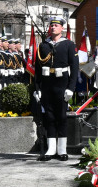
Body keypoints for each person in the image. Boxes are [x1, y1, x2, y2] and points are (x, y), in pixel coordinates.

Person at [33, 16, 78, 161]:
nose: (53, 27)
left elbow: (75, 68)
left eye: (56, 26)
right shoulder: (43, 45)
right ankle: (51, 149)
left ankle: (62, 149)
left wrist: (71, 88)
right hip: (47, 85)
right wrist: (37, 88)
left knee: (62, 116)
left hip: (62, 84)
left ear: (62, 28)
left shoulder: (69, 45)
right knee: (49, 117)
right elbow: (38, 69)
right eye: (51, 25)